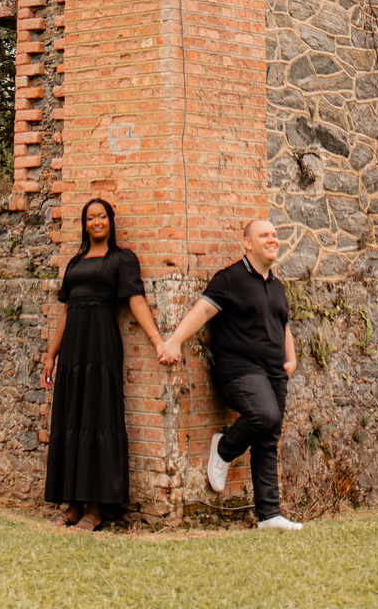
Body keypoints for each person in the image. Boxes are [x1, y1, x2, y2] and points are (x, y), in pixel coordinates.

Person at [159, 217, 302, 530]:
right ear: (247, 243)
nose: (272, 239)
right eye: (264, 235)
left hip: (274, 371)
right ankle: (224, 448)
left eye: (275, 235)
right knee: (265, 416)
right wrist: (174, 341)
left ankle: (269, 515)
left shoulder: (276, 286)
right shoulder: (230, 279)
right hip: (239, 369)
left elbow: (284, 326)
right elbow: (202, 311)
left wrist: (290, 358)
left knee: (268, 438)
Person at [43, 197, 165, 531]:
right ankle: (72, 504)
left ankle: (95, 509)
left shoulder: (121, 259)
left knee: (97, 418)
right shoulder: (75, 262)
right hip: (74, 352)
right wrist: (52, 354)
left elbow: (135, 300)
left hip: (101, 346)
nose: (96, 222)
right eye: (90, 218)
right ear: (84, 225)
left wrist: (156, 339)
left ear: (111, 221)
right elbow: (66, 312)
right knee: (71, 418)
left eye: (102, 217)